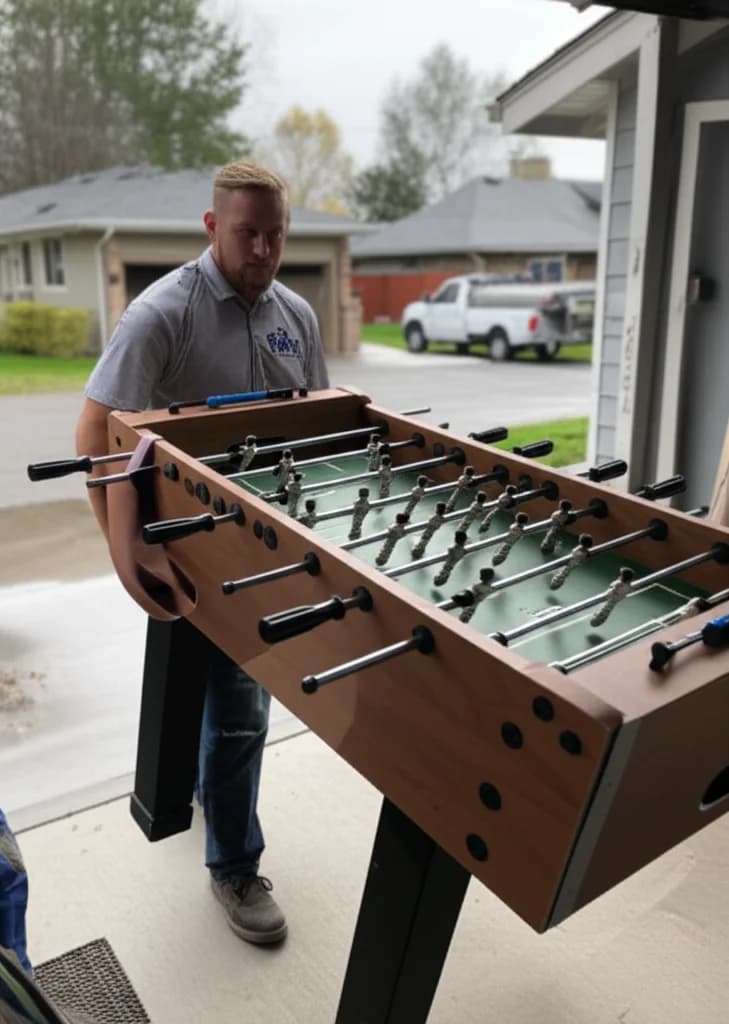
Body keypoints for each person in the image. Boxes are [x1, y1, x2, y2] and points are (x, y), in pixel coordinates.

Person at [75, 160, 331, 945]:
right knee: (240, 713)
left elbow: (320, 421)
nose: (263, 249)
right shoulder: (161, 315)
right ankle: (234, 867)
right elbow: (93, 436)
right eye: (248, 232)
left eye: (276, 234)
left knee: (219, 699)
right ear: (212, 227)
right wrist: (127, 551)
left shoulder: (296, 314)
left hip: (268, 538)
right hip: (186, 542)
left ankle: (193, 797)